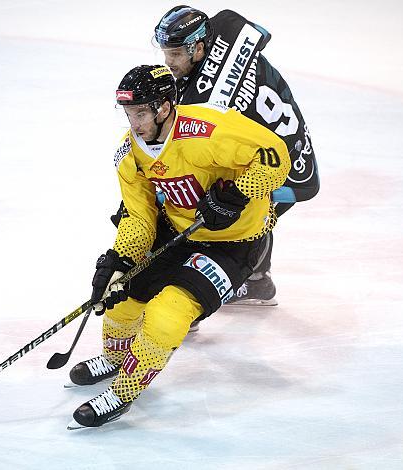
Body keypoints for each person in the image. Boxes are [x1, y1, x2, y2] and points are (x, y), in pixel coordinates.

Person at [68, 65, 290, 429]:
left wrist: (235, 195)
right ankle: (115, 357)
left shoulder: (207, 131)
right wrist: (119, 260)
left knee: (167, 315)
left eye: (140, 113)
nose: (133, 122)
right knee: (121, 295)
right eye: (128, 113)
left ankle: (124, 391)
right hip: (180, 233)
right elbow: (139, 217)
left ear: (165, 106)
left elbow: (275, 155)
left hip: (235, 245)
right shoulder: (129, 154)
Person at [151, 5, 320, 308]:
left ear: (199, 48)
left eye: (175, 54)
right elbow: (259, 33)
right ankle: (256, 279)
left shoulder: (206, 102)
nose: (168, 62)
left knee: (214, 206)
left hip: (285, 169)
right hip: (286, 137)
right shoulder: (226, 25)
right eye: (166, 52)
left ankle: (246, 282)